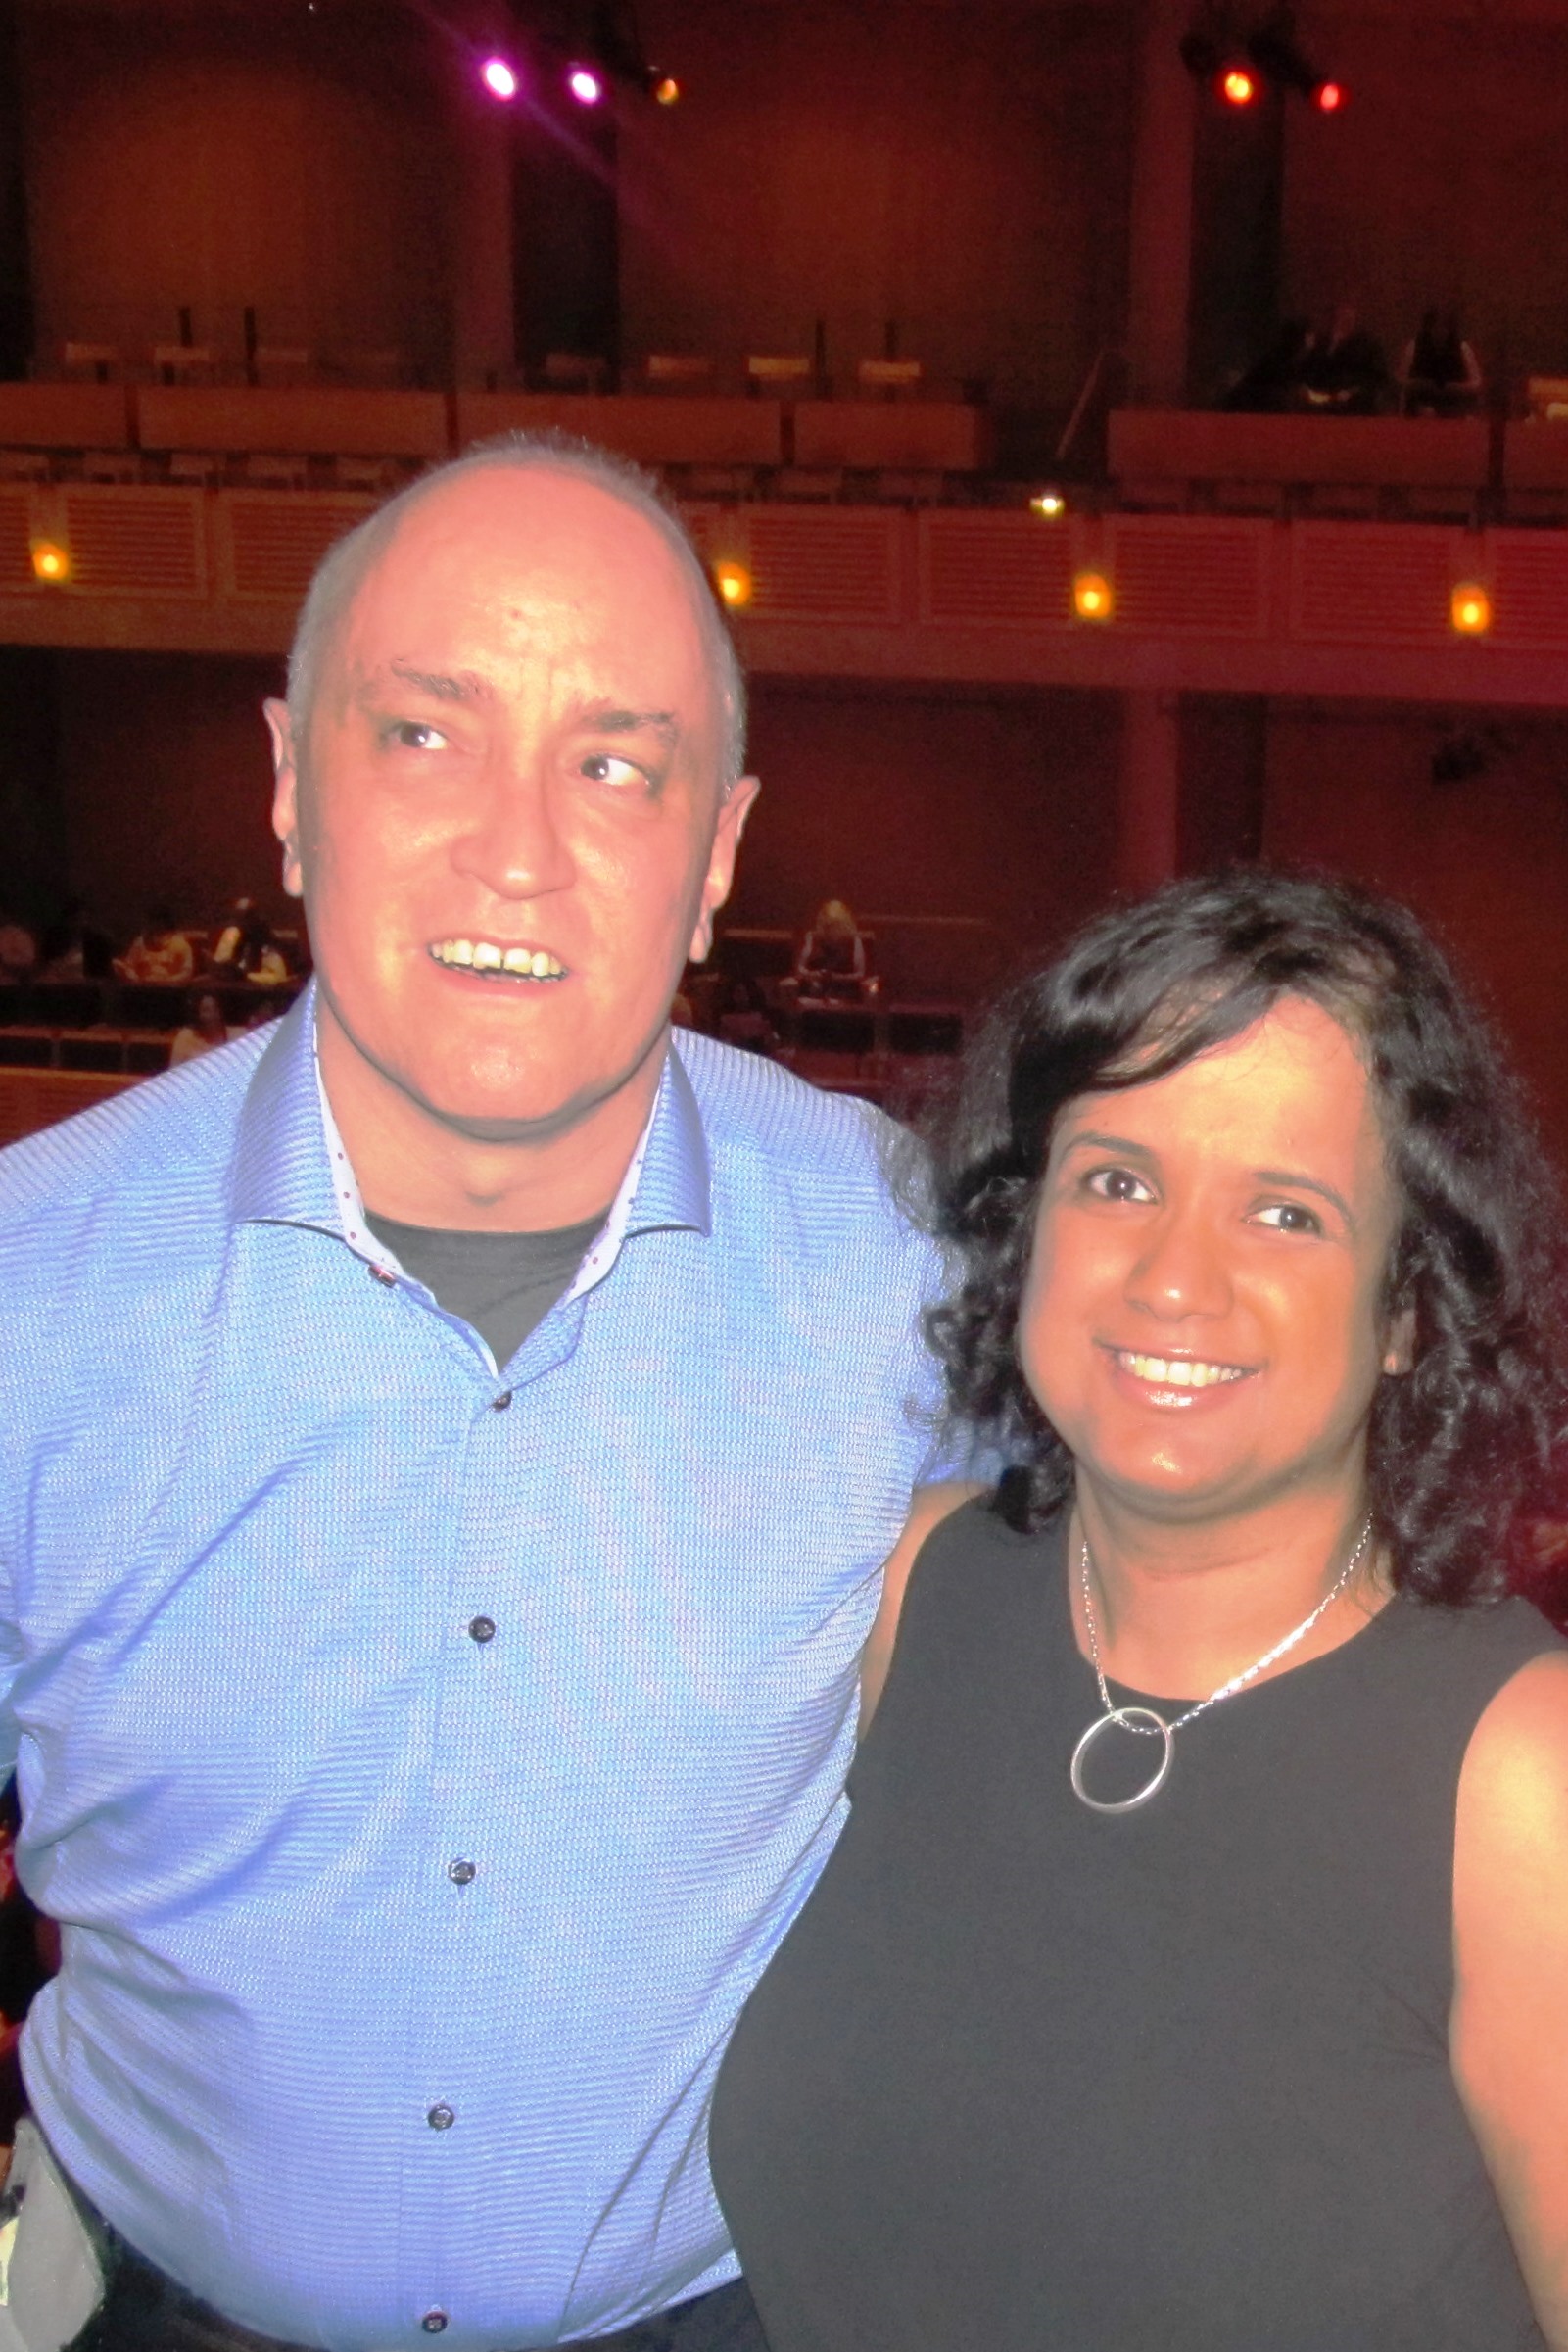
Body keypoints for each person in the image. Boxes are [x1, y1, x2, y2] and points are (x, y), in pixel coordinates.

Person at [0, 431, 954, 2352]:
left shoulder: (908, 1266)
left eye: (614, 762)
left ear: (718, 855)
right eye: (423, 734)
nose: (516, 846)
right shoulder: (29, 1284)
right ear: (287, 787)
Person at [713, 870, 1568, 2351]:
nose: (1175, 1276)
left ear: (1407, 1307)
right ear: (1024, 1217)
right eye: (1116, 1179)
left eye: (1286, 1212)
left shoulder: (1517, 1783)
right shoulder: (921, 1594)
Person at [1301, 303, 1389, 413]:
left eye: (1347, 319)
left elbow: (1377, 377)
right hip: (1321, 401)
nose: (1342, 323)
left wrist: (1353, 391)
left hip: (1354, 403)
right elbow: (1310, 370)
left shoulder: (1367, 346)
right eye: (1338, 319)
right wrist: (1310, 350)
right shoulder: (1321, 344)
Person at [1399, 308, 1484, 416]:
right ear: (1428, 328)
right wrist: (1420, 384)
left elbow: (1476, 383)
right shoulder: (1414, 347)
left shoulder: (1463, 348)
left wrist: (1455, 387)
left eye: (1444, 327)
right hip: (1421, 408)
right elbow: (1402, 382)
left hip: (1455, 408)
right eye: (1434, 326)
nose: (1439, 331)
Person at [793, 899, 873, 1002]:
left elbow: (860, 974)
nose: (832, 929)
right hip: (813, 992)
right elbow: (800, 969)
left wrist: (837, 977)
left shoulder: (855, 941)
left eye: (836, 925)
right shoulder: (811, 938)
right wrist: (813, 974)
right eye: (828, 925)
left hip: (845, 994)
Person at [113, 908, 195, 986]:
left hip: (170, 992)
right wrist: (136, 978)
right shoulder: (139, 943)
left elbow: (186, 972)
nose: (156, 928)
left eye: (160, 925)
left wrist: (167, 981)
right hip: (143, 990)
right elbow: (129, 967)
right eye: (153, 925)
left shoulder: (181, 945)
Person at [167, 986, 236, 1066]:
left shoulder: (236, 1035)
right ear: (197, 1014)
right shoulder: (185, 1038)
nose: (213, 1015)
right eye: (206, 1010)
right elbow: (175, 1071)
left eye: (216, 1009)